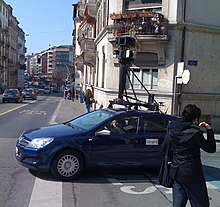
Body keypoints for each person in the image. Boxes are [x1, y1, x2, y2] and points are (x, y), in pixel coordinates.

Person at [161, 104, 216, 207]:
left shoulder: (172, 128)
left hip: (176, 170)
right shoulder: (195, 133)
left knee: (178, 202)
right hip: (192, 173)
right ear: (195, 118)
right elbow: (211, 148)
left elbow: (164, 149)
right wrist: (209, 130)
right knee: (200, 203)